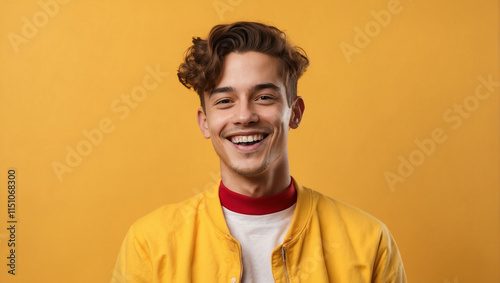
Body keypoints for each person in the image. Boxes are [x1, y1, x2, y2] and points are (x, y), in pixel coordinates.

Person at [111, 21, 407, 283]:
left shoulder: (369, 242)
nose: (244, 116)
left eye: (264, 97)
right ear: (205, 122)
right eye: (225, 101)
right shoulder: (151, 243)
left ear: (295, 113)